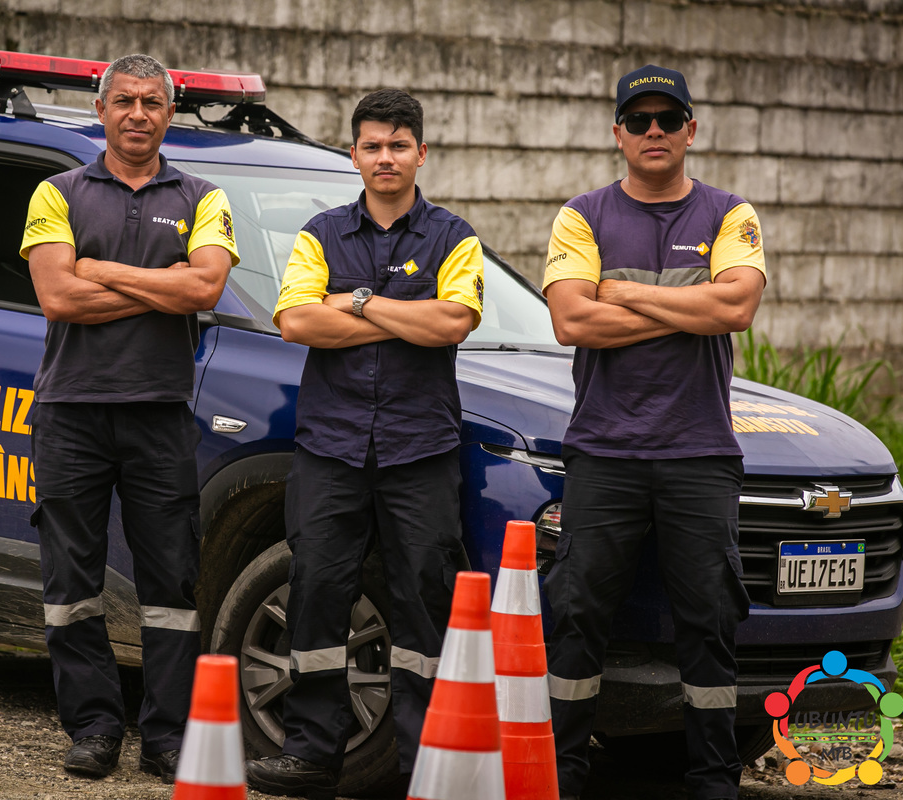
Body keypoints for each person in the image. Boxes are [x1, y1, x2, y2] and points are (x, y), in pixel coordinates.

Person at [244, 88, 485, 799]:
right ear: (353, 154)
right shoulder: (320, 234)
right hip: (331, 448)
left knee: (424, 599)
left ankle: (424, 765)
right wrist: (406, 314)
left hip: (420, 451)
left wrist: (353, 302)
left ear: (421, 153)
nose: (386, 157)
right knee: (317, 593)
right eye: (373, 145)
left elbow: (452, 324)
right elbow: (295, 322)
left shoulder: (454, 237)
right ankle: (310, 755)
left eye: (398, 145)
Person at [541, 64, 767, 800]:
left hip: (700, 452)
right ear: (619, 134)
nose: (654, 131)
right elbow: (572, 321)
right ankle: (563, 775)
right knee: (578, 615)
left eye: (669, 119)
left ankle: (712, 781)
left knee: (709, 620)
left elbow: (735, 309)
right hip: (604, 450)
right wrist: (689, 303)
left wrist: (626, 292)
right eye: (638, 120)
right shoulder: (582, 216)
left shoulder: (730, 214)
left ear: (691, 130)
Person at [18, 53, 238, 782]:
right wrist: (161, 284)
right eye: (124, 100)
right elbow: (59, 299)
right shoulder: (57, 192)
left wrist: (99, 269)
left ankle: (167, 737)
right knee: (71, 582)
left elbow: (204, 290)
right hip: (71, 413)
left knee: (172, 584)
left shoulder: (204, 195)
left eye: (151, 102)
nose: (137, 114)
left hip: (159, 415)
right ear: (101, 109)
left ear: (170, 113)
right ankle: (93, 729)